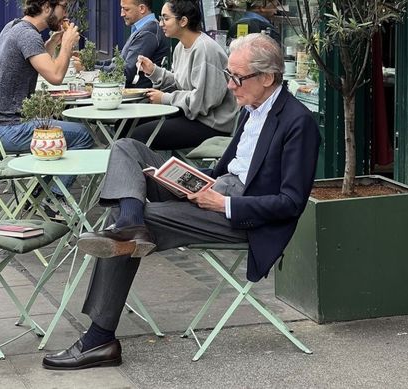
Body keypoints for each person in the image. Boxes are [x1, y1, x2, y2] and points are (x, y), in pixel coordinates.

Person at [42, 32, 321, 370]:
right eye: (228, 75)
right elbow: (230, 167)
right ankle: (131, 226)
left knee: (132, 224)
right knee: (126, 148)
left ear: (267, 77)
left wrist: (224, 204)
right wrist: (193, 180)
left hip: (243, 217)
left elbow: (291, 203)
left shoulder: (298, 123)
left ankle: (100, 338)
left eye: (236, 77)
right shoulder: (251, 108)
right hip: (215, 190)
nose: (230, 85)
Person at [0, 0, 94, 219]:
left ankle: (39, 192)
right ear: (46, 7)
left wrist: (53, 43)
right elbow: (54, 76)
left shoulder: (14, 26)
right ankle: (55, 198)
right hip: (9, 129)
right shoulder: (28, 35)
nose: (66, 12)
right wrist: (67, 46)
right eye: (63, 6)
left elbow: (31, 60)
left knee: (69, 132)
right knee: (83, 135)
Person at [128, 0, 238, 150]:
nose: (161, 24)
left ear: (183, 21)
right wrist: (154, 71)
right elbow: (180, 83)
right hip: (190, 115)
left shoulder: (204, 50)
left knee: (139, 135)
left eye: (166, 19)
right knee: (129, 124)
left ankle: (151, 172)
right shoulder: (181, 46)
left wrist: (165, 98)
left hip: (211, 124)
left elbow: (202, 102)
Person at [74, 0, 169, 88]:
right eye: (121, 8)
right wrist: (88, 63)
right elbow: (118, 63)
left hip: (139, 99)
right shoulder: (144, 29)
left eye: (126, 9)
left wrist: (87, 68)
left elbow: (126, 73)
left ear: (142, 9)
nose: (122, 14)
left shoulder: (148, 32)